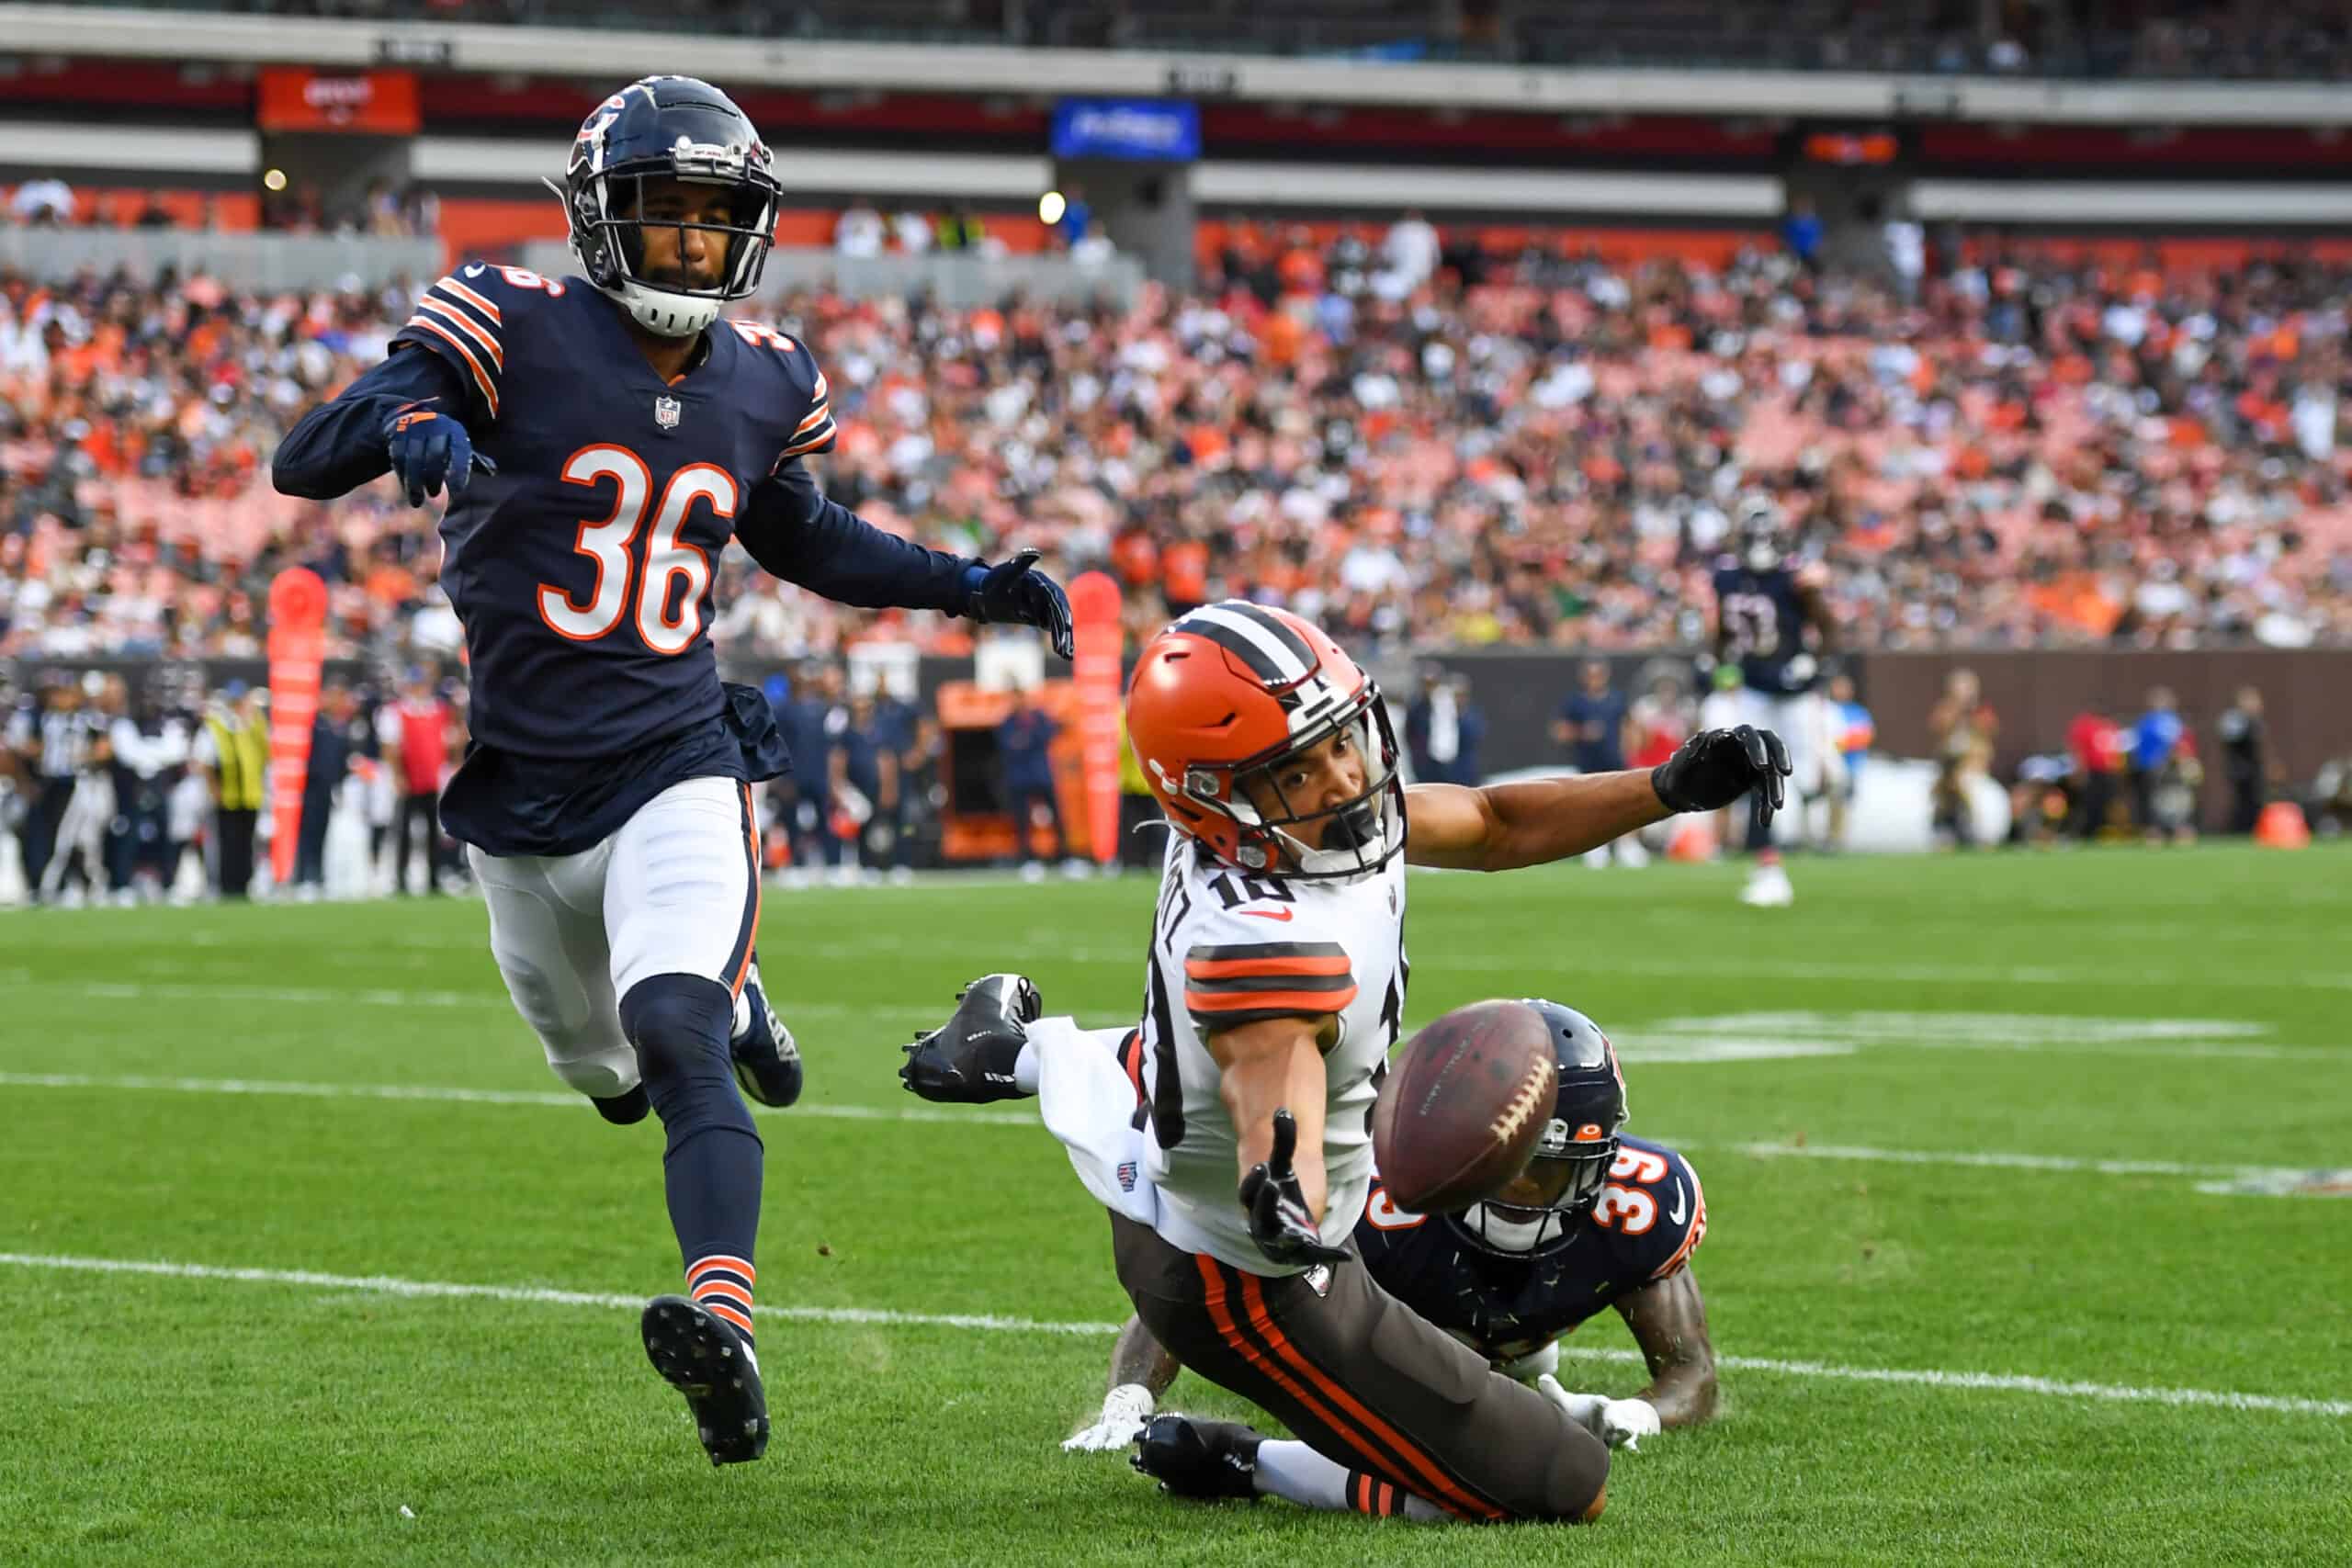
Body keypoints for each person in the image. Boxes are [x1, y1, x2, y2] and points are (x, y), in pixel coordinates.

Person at [269, 74, 1075, 1467]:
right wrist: (400, 425)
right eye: (666, 214)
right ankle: (733, 992)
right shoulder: (509, 319)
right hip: (520, 796)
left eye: (717, 220)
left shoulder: (766, 375)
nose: (693, 246)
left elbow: (807, 538)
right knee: (601, 1068)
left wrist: (973, 586)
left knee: (673, 1038)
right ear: (600, 216)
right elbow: (303, 459)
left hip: (676, 758)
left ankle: (728, 1327)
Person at [899, 600, 1784, 1524]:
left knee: (1189, 1079)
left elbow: (1490, 822)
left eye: (1338, 738)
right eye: (1296, 766)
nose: (1342, 774)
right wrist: (1283, 1185)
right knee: (1556, 1482)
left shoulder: (1295, 825)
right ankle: (1250, 1463)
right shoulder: (1261, 938)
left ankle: (1017, 1051)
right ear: (1211, 791)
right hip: (1244, 1277)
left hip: (1171, 1140)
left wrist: (1667, 787)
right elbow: (1271, 1080)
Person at [1052, 1001, 1718, 1468]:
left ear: (1602, 1161)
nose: (1518, 1190)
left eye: (1546, 1171)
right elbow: (1206, 1274)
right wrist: (1129, 1398)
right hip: (1381, 1335)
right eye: (1502, 1161)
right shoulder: (1372, 1183)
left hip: (1516, 1348)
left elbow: (1690, 1373)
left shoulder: (1640, 1201)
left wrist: (1638, 1413)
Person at [1712, 500, 1834, 904]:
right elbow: (1722, 631)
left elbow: (1829, 626)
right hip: (1753, 689)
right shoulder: (1727, 577)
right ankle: (1769, 865)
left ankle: (1796, 845)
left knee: (1810, 779)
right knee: (1757, 773)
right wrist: (1719, 662)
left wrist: (1814, 664)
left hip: (1796, 694)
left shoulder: (1797, 577)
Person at [193, 681, 268, 899]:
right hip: (227, 795)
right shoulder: (216, 725)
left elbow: (265, 755)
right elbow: (205, 761)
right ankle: (227, 887)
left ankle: (245, 885)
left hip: (251, 795)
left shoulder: (255, 724)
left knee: (247, 844)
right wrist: (214, 790)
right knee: (227, 844)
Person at [381, 668, 451, 895]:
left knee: (433, 832)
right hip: (409, 779)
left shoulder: (438, 711)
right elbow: (390, 746)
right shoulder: (397, 712)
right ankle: (400, 880)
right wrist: (398, 775)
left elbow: (445, 744)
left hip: (432, 779)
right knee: (403, 831)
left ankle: (433, 879)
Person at [997, 682, 1063, 875]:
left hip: (1041, 774)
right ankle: (1027, 858)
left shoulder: (1038, 717)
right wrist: (1029, 738)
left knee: (1057, 818)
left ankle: (1063, 856)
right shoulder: (1007, 721)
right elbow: (1008, 745)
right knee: (1022, 821)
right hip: (1019, 778)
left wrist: (1026, 738)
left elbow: (1047, 734)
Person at [1927, 669, 1997, 851]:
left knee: (1966, 786)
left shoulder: (1981, 711)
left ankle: (1975, 830)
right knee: (1940, 792)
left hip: (1972, 764)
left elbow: (1989, 733)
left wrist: (1971, 713)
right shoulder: (1946, 709)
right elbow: (1939, 729)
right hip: (1948, 766)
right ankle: (1944, 831)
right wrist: (1956, 710)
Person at [2216, 687, 2269, 837]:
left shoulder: (2255, 721)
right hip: (2239, 768)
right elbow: (2230, 739)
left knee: (2255, 800)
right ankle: (2240, 829)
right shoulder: (2235, 719)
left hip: (2253, 769)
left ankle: (2253, 829)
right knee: (2243, 801)